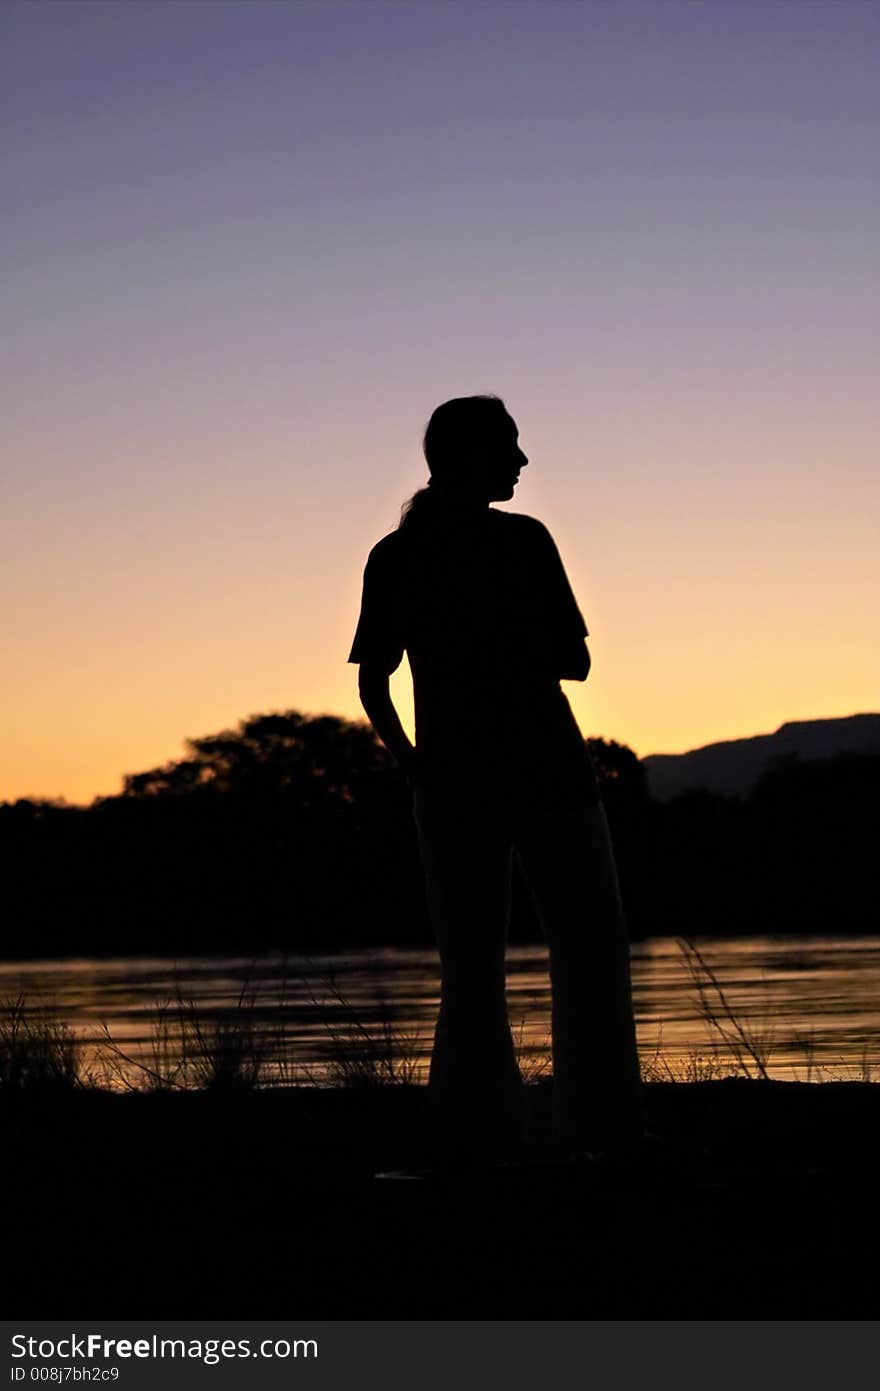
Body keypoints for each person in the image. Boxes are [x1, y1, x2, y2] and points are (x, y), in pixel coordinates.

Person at [348, 394, 643, 1164]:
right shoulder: (523, 542)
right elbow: (574, 661)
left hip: (454, 783)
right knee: (589, 952)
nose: (520, 461)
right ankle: (597, 1134)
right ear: (468, 455)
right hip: (548, 772)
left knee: (470, 969)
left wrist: (413, 764)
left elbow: (374, 683)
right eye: (508, 447)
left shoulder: (396, 555)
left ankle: (482, 1140)